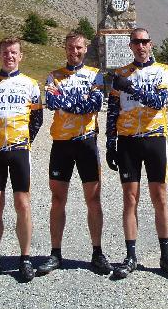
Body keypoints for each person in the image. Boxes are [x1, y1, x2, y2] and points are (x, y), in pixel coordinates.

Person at [106, 27, 168, 279]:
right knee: (130, 198)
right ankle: (130, 257)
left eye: (144, 42)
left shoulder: (162, 70)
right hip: (127, 141)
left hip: (154, 138)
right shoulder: (120, 73)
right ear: (130, 46)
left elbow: (159, 101)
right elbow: (113, 110)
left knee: (159, 197)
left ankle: (165, 256)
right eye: (136, 42)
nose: (140, 46)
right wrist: (110, 143)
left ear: (151, 44)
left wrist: (130, 87)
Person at [37, 32, 112, 275]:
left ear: (85, 49)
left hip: (87, 143)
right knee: (58, 199)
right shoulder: (54, 75)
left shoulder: (95, 75)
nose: (75, 51)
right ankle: (55, 253)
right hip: (62, 144)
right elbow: (51, 102)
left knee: (94, 199)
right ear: (65, 48)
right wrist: (79, 101)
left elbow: (95, 105)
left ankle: (97, 252)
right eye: (71, 47)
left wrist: (68, 100)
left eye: (79, 47)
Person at [0, 37, 43, 283]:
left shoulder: (31, 85)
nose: (9, 56)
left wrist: (22, 141)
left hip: (19, 151)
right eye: (5, 52)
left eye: (13, 52)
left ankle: (25, 259)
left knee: (22, 204)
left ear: (21, 56)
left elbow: (37, 120)